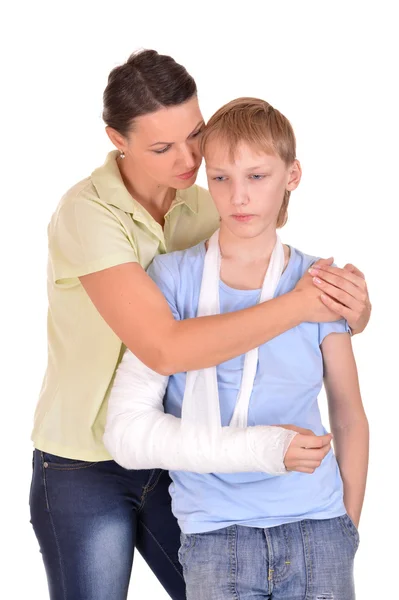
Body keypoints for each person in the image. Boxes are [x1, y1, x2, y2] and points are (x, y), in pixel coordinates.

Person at [29, 49, 371, 600]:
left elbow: (273, 265)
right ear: (118, 140)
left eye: (195, 133)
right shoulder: (86, 214)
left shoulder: (211, 196)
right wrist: (303, 306)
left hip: (184, 457)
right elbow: (165, 348)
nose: (189, 158)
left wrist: (351, 308)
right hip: (85, 461)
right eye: (162, 147)